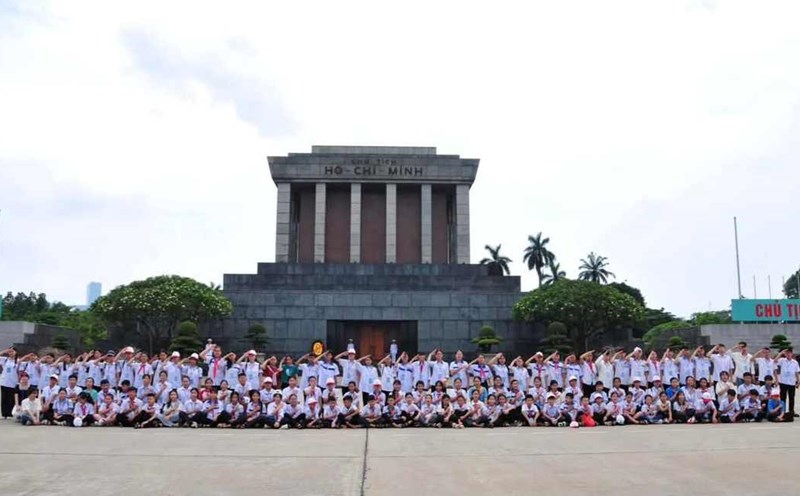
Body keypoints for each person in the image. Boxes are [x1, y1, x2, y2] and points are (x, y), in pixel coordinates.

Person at [775, 349, 799, 418]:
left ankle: (791, 411)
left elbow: (796, 372)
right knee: (783, 398)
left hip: (791, 382)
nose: (788, 354)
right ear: (785, 354)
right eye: (787, 353)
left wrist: (798, 381)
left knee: (791, 398)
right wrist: (781, 353)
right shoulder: (782, 360)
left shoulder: (795, 362)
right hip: (783, 382)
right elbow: (775, 360)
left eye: (789, 353)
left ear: (792, 354)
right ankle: (783, 411)